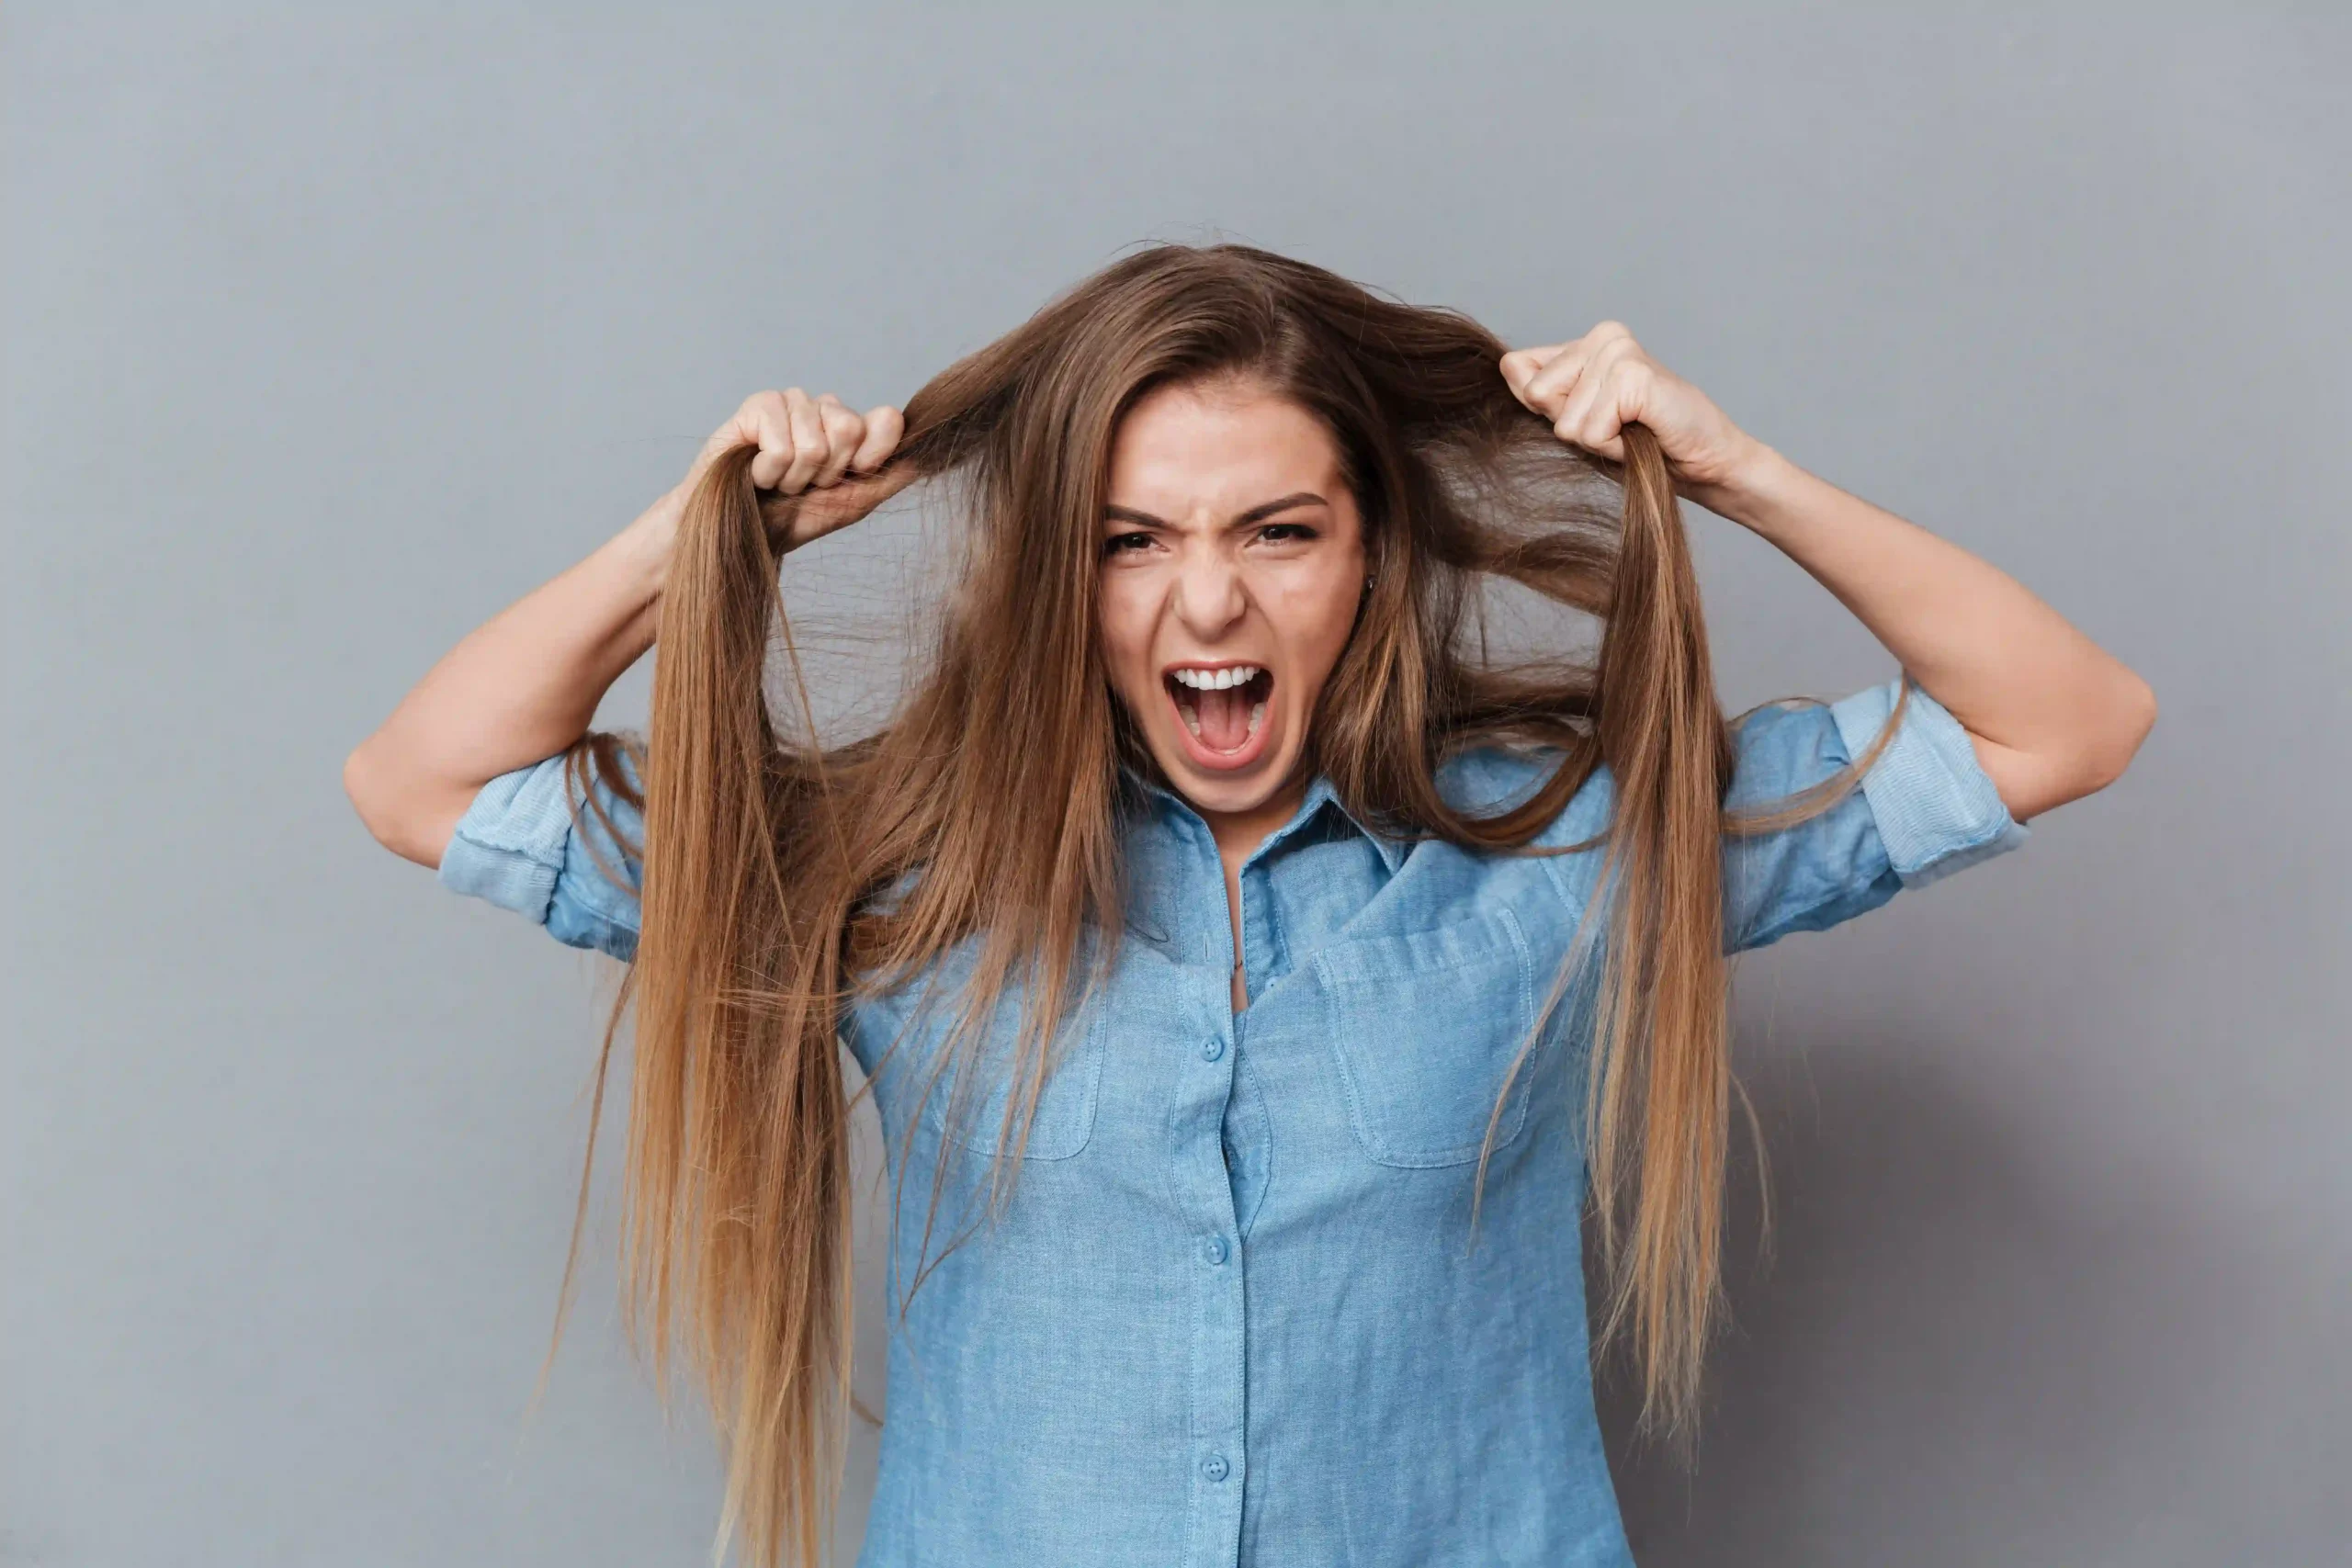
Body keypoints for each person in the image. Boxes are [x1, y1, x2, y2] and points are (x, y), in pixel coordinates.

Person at [343, 243, 2154, 1568]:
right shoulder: (899, 867)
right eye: (1132, 541)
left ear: (1370, 554)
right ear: (1066, 576)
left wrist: (1730, 465)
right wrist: (702, 538)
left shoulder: (1571, 847)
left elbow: (2064, 719)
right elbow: (421, 779)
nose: (1203, 606)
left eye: (1274, 532)